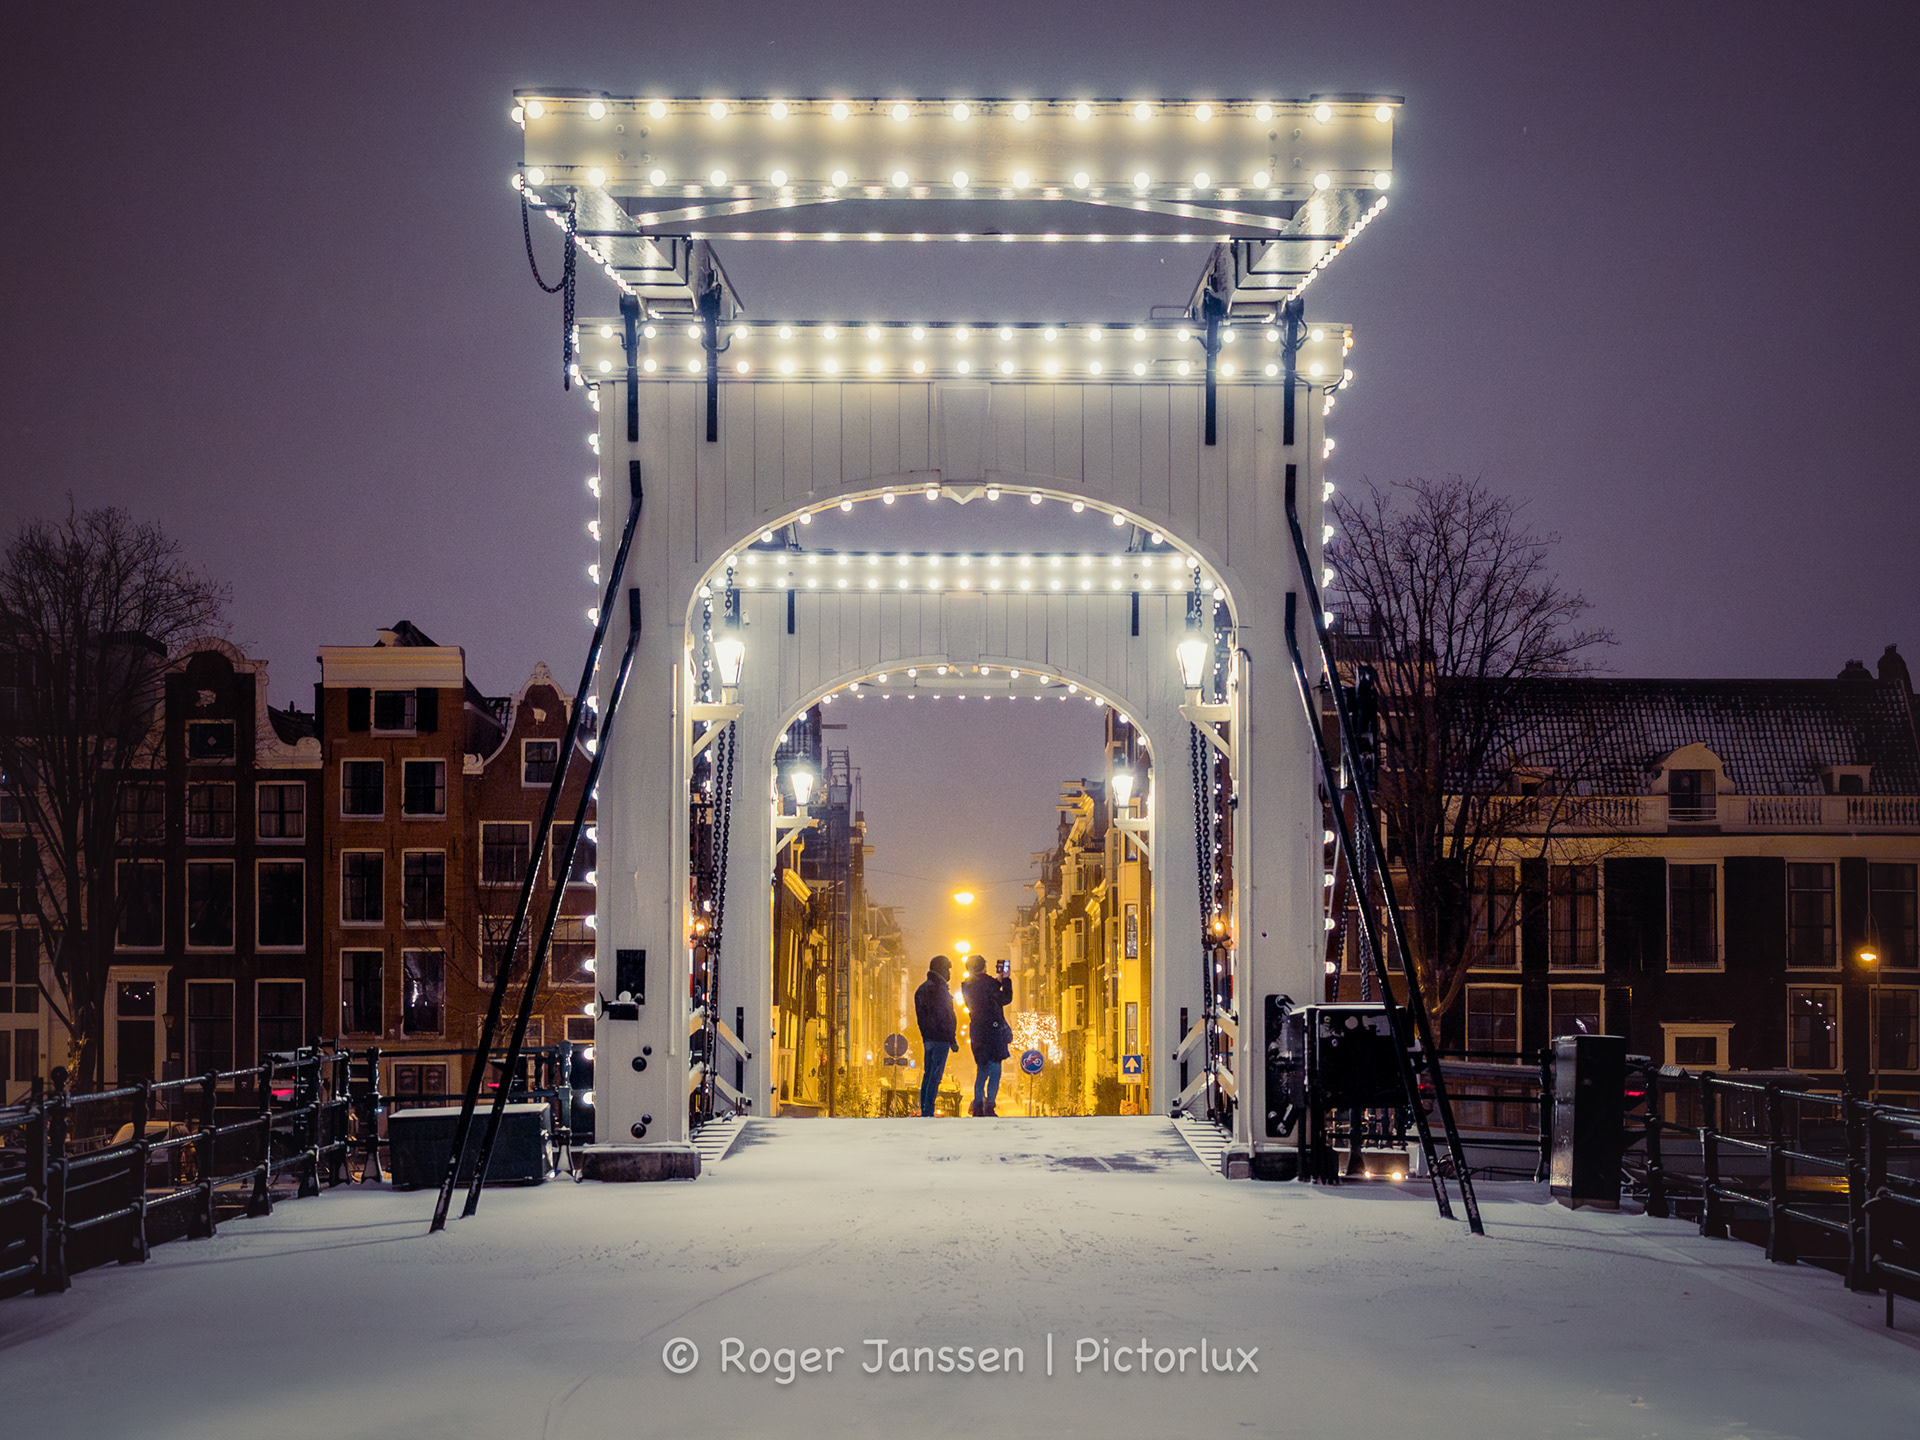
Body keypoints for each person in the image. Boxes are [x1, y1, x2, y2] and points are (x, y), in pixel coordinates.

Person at [961, 957, 1014, 1117]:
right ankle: (989, 1105)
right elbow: (1005, 999)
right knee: (995, 1069)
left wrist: (997, 982)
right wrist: (1005, 981)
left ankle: (978, 1105)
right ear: (984, 966)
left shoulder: (966, 985)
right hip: (993, 1030)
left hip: (977, 1030)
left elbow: (981, 993)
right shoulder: (989, 983)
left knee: (982, 1069)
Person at [914, 955, 957, 1117]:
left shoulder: (922, 989)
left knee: (928, 1073)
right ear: (941, 969)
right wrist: (951, 1039)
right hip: (940, 1038)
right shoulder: (939, 990)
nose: (949, 973)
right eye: (948, 969)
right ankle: (928, 1110)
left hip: (928, 1038)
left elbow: (921, 1018)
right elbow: (945, 1016)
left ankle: (925, 1107)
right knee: (935, 1075)